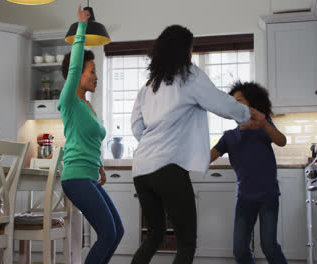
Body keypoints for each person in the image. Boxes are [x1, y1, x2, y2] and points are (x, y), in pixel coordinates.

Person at [130, 25, 266, 264]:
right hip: (168, 167)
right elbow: (220, 103)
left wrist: (153, 144)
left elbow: (136, 126)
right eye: (190, 49)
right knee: (186, 242)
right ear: (184, 50)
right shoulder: (188, 75)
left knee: (153, 236)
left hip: (141, 169)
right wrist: (249, 114)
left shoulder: (149, 86)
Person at [57, 6, 123, 263]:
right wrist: (81, 25)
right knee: (107, 233)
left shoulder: (86, 105)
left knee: (116, 232)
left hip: (89, 176)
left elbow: (90, 140)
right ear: (79, 74)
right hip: (75, 178)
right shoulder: (70, 100)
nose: (96, 76)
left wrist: (100, 165)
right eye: (92, 71)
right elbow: (73, 68)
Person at [210, 81, 288, 264]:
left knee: (269, 245)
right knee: (239, 249)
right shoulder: (228, 137)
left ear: (252, 103)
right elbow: (207, 157)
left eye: (239, 100)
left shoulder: (263, 127)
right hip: (245, 199)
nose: (234, 105)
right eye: (232, 102)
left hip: (268, 196)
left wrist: (264, 123)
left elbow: (282, 141)